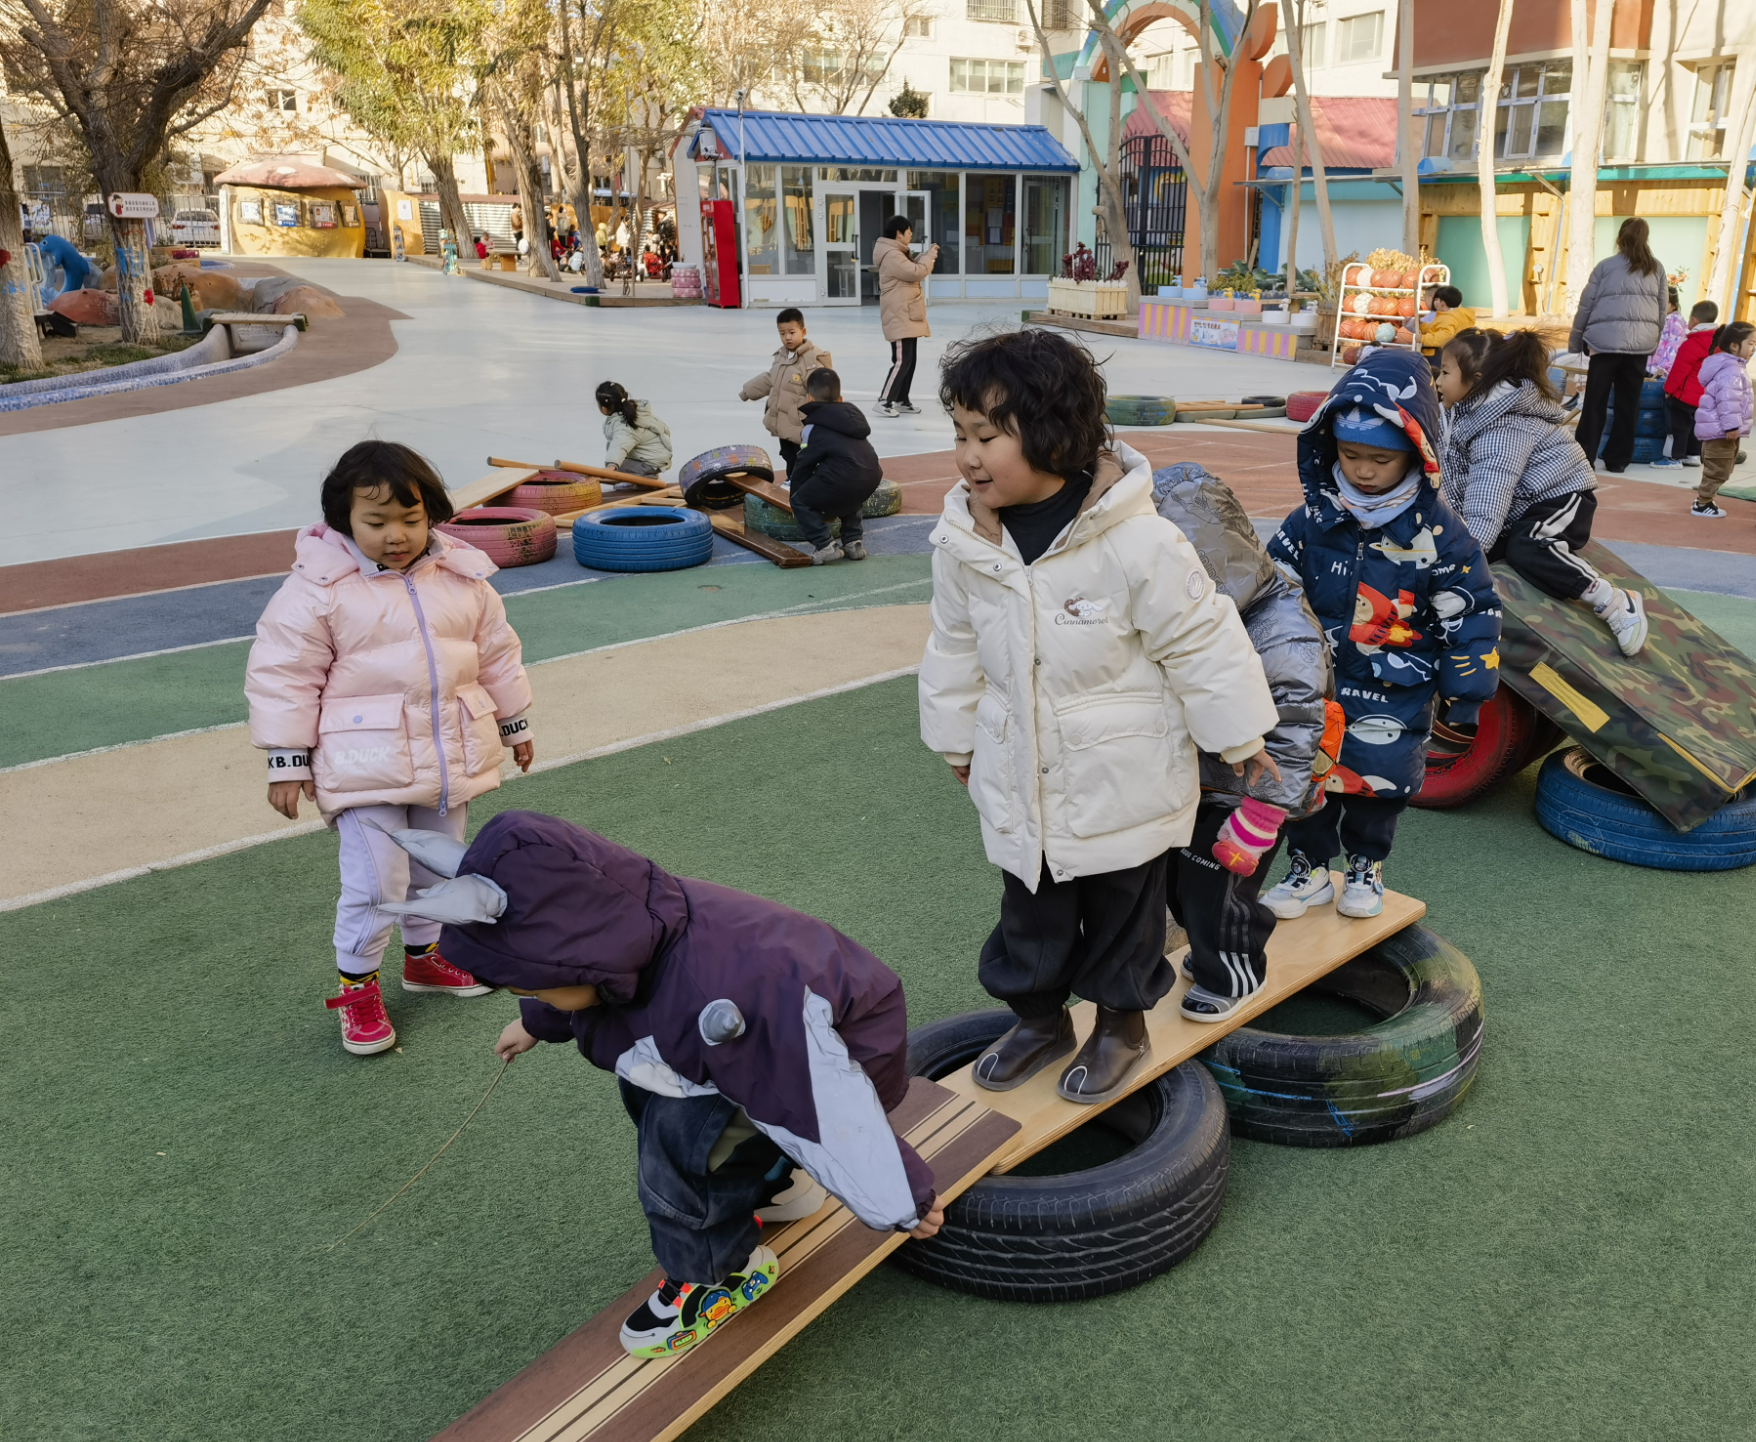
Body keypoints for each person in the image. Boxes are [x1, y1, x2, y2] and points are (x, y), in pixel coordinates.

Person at [374, 810, 943, 1362]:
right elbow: (567, 972)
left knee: (680, 1147)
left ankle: (717, 1275)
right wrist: (536, 1021)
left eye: (539, 989)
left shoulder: (719, 999)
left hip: (831, 1047)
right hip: (750, 1045)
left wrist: (901, 1196)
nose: (539, 995)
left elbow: (815, 1102)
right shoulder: (624, 935)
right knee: (653, 1097)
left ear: (580, 963)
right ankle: (776, 1185)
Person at [918, 327, 1278, 1105]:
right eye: (959, 434)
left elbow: (1200, 635)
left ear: (1052, 432)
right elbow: (952, 646)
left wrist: (1239, 733)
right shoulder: (964, 543)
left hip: (1126, 776)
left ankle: (1121, 1024)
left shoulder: (1135, 539)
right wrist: (954, 739)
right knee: (1031, 916)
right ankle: (1041, 1020)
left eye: (987, 435)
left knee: (1124, 912)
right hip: (1024, 777)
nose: (968, 455)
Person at [244, 441, 535, 1057]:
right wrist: (287, 759)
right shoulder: (318, 590)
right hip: (362, 763)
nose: (395, 535)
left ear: (433, 513)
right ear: (341, 520)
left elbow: (496, 654)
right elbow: (283, 674)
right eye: (375, 523)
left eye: (410, 519)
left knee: (438, 867)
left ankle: (425, 959)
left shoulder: (462, 577)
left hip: (447, 755)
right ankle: (357, 986)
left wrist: (514, 722)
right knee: (377, 881)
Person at [1260, 347, 1503, 921]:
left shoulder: (1441, 532)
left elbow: (1472, 608)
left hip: (1397, 685)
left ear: (1415, 454)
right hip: (1313, 685)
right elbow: (1272, 592)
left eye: (1380, 459)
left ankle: (1366, 867)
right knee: (1308, 782)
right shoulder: (1312, 518)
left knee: (1380, 787)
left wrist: (1468, 689)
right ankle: (1310, 870)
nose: (1363, 471)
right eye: (1350, 455)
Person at [1151, 463, 1328, 1021]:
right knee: (1179, 886)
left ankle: (1234, 971)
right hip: (1197, 781)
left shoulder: (1284, 634)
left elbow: (1296, 735)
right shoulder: (1180, 621)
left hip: (1250, 798)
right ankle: (1208, 950)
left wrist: (1261, 820)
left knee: (1218, 889)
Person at [1435, 328, 1647, 656]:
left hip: (1561, 494)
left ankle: (1613, 600)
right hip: (1522, 503)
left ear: (1475, 380)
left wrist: (1464, 559)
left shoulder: (1502, 428)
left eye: (1446, 372)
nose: (1438, 380)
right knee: (1479, 553)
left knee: (1528, 546)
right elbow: (1454, 479)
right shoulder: (1458, 414)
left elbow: (1489, 498)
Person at [1569, 216, 1669, 473]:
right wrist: (1653, 342)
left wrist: (1576, 340)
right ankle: (1618, 460)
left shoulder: (1605, 266)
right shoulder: (1656, 268)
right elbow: (1660, 311)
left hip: (1604, 344)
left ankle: (1584, 458)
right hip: (1639, 348)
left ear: (1619, 238)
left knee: (1595, 402)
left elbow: (1586, 305)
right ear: (1645, 238)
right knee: (1629, 405)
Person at [787, 368, 881, 564]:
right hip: (872, 475)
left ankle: (825, 545)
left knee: (802, 500)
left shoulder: (813, 428)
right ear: (840, 399)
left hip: (845, 476)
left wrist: (795, 495)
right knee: (850, 492)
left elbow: (804, 463)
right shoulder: (853, 420)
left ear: (810, 399)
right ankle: (853, 542)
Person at [739, 307, 835, 472]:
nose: (787, 337)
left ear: (803, 331)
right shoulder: (781, 356)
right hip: (784, 425)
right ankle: (791, 487)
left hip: (802, 427)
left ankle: (800, 491)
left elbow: (822, 393)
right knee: (788, 457)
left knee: (803, 462)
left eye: (792, 332)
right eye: (782, 333)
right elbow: (771, 379)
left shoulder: (811, 360)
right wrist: (747, 391)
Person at [1689, 322, 1756, 519]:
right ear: (1735, 346)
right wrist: (1732, 425)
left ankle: (1704, 499)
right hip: (1722, 430)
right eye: (1750, 343)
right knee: (1718, 467)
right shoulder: (1731, 370)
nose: (1754, 349)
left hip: (1721, 428)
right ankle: (1703, 503)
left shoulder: (1733, 366)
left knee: (1722, 466)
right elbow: (1727, 399)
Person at [873, 214, 937, 417]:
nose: (910, 236)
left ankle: (901, 399)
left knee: (910, 360)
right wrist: (929, 257)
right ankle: (884, 401)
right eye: (908, 232)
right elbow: (915, 272)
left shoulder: (897, 253)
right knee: (901, 361)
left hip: (906, 314)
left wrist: (924, 255)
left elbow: (911, 269)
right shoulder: (891, 254)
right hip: (899, 315)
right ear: (898, 233)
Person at [1657, 299, 1720, 468]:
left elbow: (1679, 371)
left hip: (1685, 396)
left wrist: (1668, 390)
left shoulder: (1692, 343)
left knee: (1677, 427)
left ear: (1694, 321)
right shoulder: (1717, 344)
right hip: (1704, 396)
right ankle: (1693, 455)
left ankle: (1673, 458)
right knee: (1696, 427)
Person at [597, 380, 675, 479]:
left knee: (619, 465)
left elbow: (620, 444)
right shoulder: (630, 411)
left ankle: (646, 478)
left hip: (650, 462)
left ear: (603, 407)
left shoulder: (623, 424)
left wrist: (611, 467)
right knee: (616, 457)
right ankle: (643, 475)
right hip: (653, 457)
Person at [1417, 283, 1474, 367]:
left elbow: (1443, 337)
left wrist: (1423, 338)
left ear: (1443, 303)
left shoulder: (1448, 318)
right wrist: (1420, 324)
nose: (1434, 302)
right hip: (1449, 352)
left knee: (1434, 372)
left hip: (1439, 353)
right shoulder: (1446, 314)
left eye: (1436, 299)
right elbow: (1430, 325)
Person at [28, 231, 102, 292]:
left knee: (69, 290)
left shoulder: (57, 249)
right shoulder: (63, 245)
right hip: (80, 266)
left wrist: (53, 262)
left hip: (74, 271)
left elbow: (57, 261)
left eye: (44, 244)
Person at [1648, 287, 1687, 379]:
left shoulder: (1675, 321)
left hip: (1658, 371)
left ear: (1673, 306)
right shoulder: (1658, 318)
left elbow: (1673, 347)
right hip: (1650, 366)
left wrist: (1663, 369)